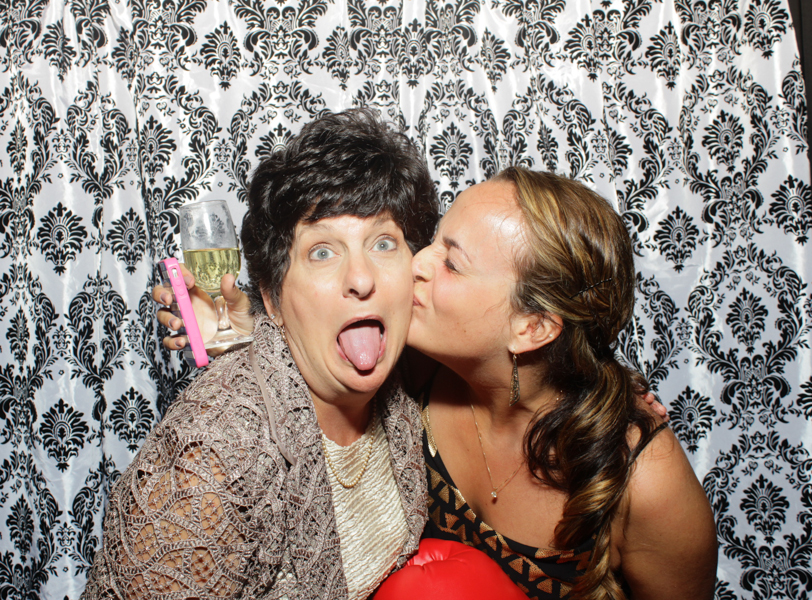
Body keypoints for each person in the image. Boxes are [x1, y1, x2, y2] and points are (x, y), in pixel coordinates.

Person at [158, 167, 717, 599]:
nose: (415, 263)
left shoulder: (644, 482)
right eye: (432, 240)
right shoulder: (406, 376)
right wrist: (245, 330)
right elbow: (313, 369)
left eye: (452, 263)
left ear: (532, 326)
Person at [82, 107, 440, 600]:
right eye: (322, 251)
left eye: (383, 243)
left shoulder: (409, 381)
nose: (361, 279)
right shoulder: (210, 464)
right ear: (271, 297)